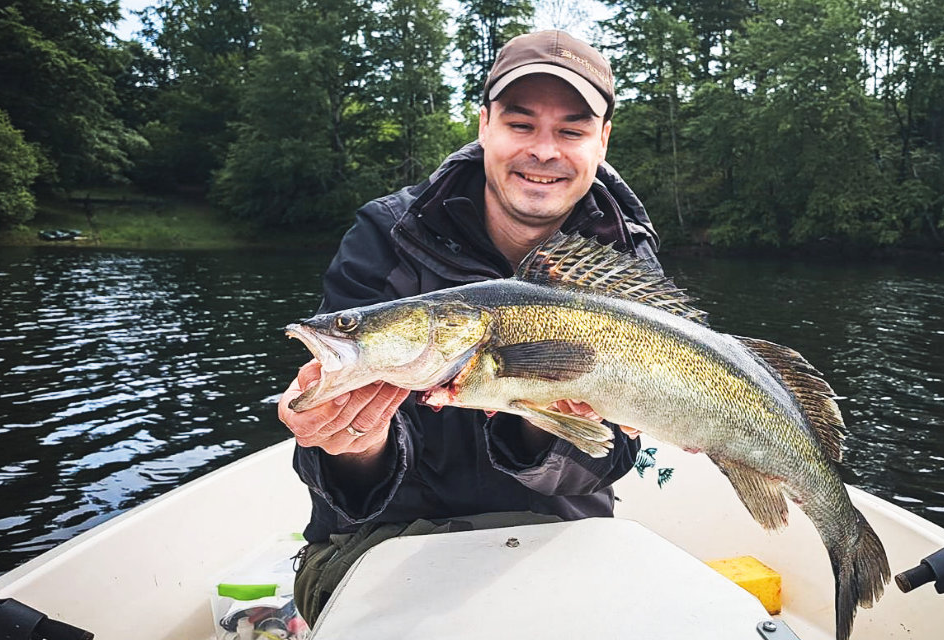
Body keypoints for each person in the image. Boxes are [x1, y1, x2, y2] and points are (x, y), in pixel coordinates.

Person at [276, 30, 660, 624]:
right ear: (484, 125)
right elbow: (339, 481)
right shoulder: (385, 237)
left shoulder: (625, 259)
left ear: (602, 140)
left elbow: (610, 452)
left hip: (557, 535)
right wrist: (354, 447)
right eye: (520, 123)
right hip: (392, 542)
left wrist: (539, 424)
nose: (544, 150)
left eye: (572, 130)